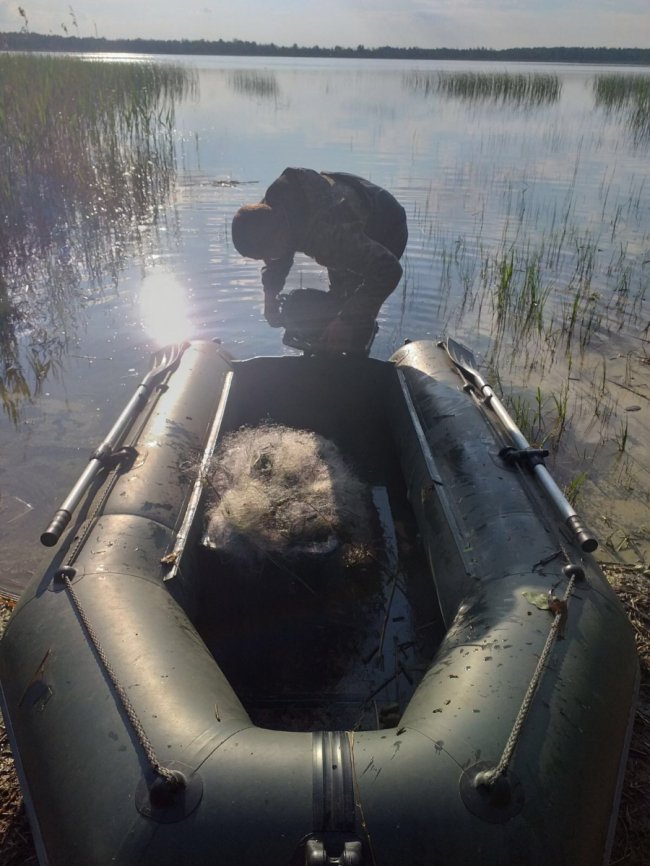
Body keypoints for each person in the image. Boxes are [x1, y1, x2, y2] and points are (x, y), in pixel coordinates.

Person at [231, 168, 408, 352]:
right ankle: (330, 346)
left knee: (353, 313)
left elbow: (389, 269)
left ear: (278, 233)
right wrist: (270, 293)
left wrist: (346, 320)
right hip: (356, 210)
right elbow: (278, 256)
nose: (270, 260)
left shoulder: (329, 235)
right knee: (337, 302)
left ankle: (358, 349)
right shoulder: (271, 211)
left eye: (269, 253)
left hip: (385, 224)